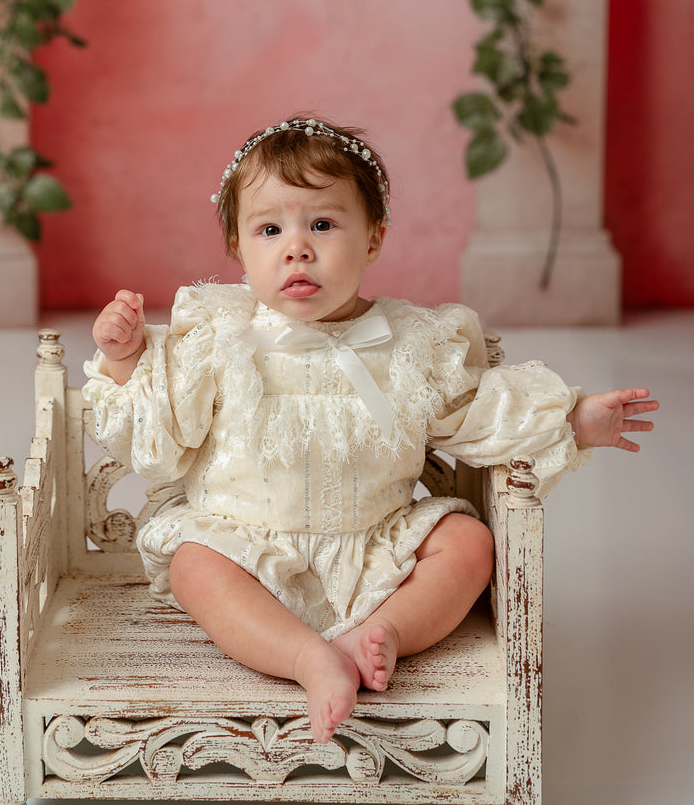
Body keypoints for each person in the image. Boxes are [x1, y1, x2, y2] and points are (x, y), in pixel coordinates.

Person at [84, 115, 658, 744]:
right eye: (269, 230)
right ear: (238, 251)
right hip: (246, 545)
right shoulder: (219, 339)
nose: (296, 248)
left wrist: (573, 419)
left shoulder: (412, 344)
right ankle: (306, 658)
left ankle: (381, 633)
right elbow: (159, 444)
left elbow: (478, 408)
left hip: (374, 544)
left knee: (467, 542)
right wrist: (126, 358)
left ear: (374, 239)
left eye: (323, 225)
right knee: (195, 565)